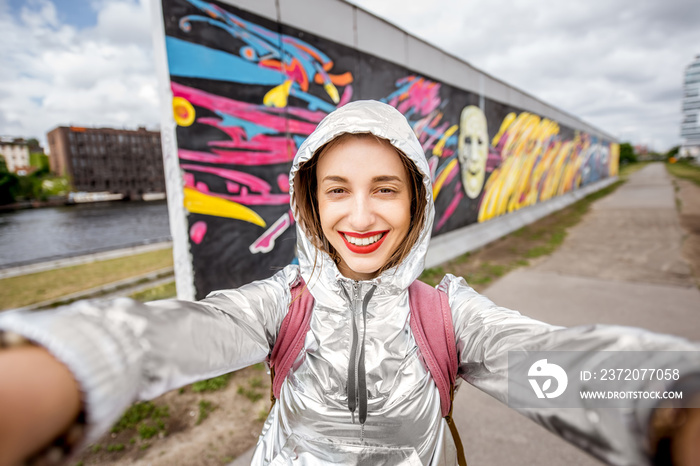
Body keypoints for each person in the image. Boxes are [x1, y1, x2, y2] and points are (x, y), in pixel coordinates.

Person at [0, 100, 698, 466]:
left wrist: (666, 404)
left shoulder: (447, 312)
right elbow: (163, 338)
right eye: (337, 190)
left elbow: (552, 363)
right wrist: (59, 369)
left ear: (417, 201)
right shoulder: (280, 304)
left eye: (385, 189)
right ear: (310, 202)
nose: (360, 217)